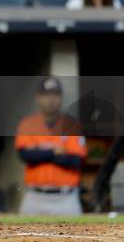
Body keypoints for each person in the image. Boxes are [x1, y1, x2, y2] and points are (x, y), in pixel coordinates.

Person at [15, 77, 87, 215]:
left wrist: (41, 152)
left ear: (60, 98)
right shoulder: (27, 124)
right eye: (46, 94)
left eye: (55, 94)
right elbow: (25, 155)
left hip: (66, 198)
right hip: (35, 197)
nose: (51, 99)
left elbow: (76, 161)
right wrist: (55, 151)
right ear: (38, 98)